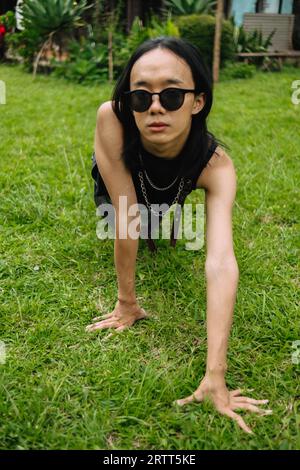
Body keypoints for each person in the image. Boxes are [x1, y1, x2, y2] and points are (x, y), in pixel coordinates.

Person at [86, 36, 272, 434]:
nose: (155, 106)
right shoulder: (112, 119)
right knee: (128, 214)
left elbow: (221, 262)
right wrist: (127, 303)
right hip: (120, 168)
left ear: (197, 101)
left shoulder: (217, 166)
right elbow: (125, 218)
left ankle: (163, 216)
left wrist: (215, 375)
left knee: (159, 212)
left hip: (176, 175)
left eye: (172, 95)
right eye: (140, 97)